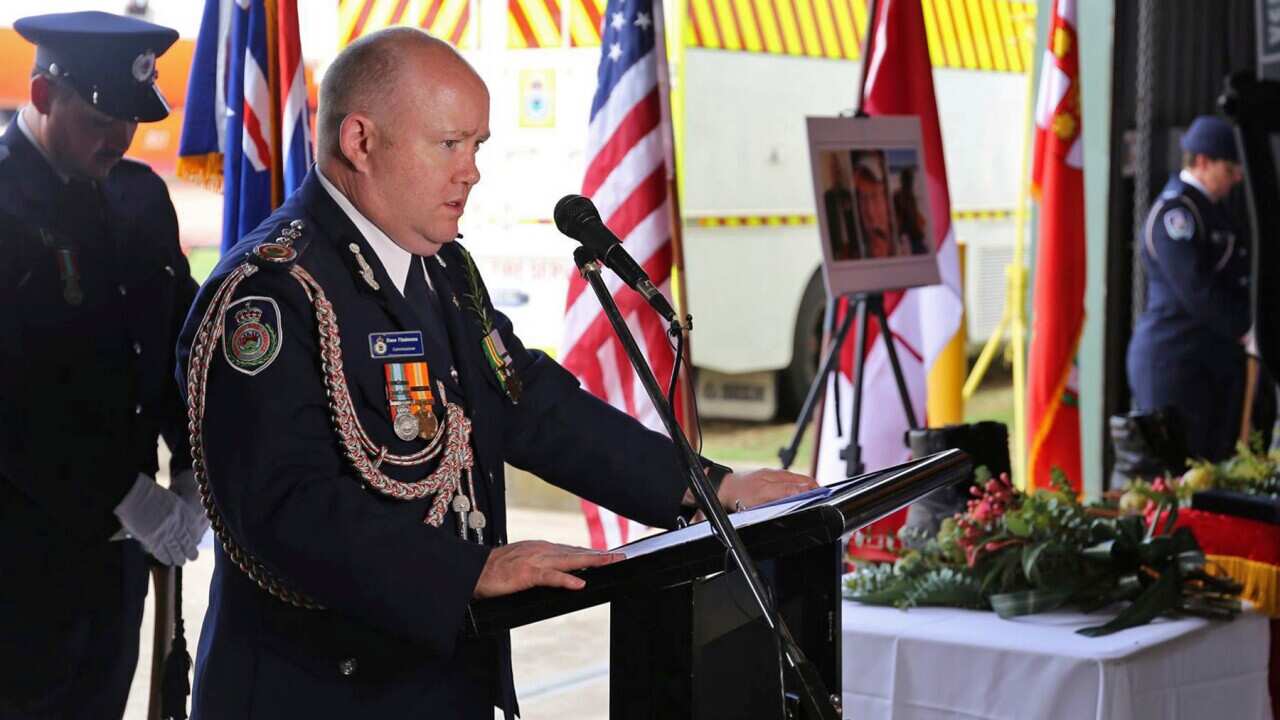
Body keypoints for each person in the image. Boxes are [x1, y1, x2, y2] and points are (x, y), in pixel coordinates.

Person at [177, 27, 816, 719]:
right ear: (360, 142)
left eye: (476, 146)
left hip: (440, 680)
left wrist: (709, 488)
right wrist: (468, 571)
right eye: (450, 144)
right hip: (315, 694)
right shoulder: (270, 292)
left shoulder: (442, 267)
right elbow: (279, 507)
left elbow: (532, 406)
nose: (471, 171)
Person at [0, 11, 209, 718]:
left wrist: (190, 465)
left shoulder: (139, 197)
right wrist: (122, 492)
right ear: (41, 96)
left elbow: (182, 337)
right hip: (20, 560)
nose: (119, 137)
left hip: (117, 560)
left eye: (130, 119)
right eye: (98, 118)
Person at [1127, 115, 1250, 462]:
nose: (1237, 178)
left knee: (1213, 469)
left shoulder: (1213, 211)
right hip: (1174, 360)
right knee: (1180, 471)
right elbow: (1197, 290)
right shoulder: (1176, 214)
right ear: (1202, 162)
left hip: (1211, 361)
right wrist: (1245, 328)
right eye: (1229, 169)